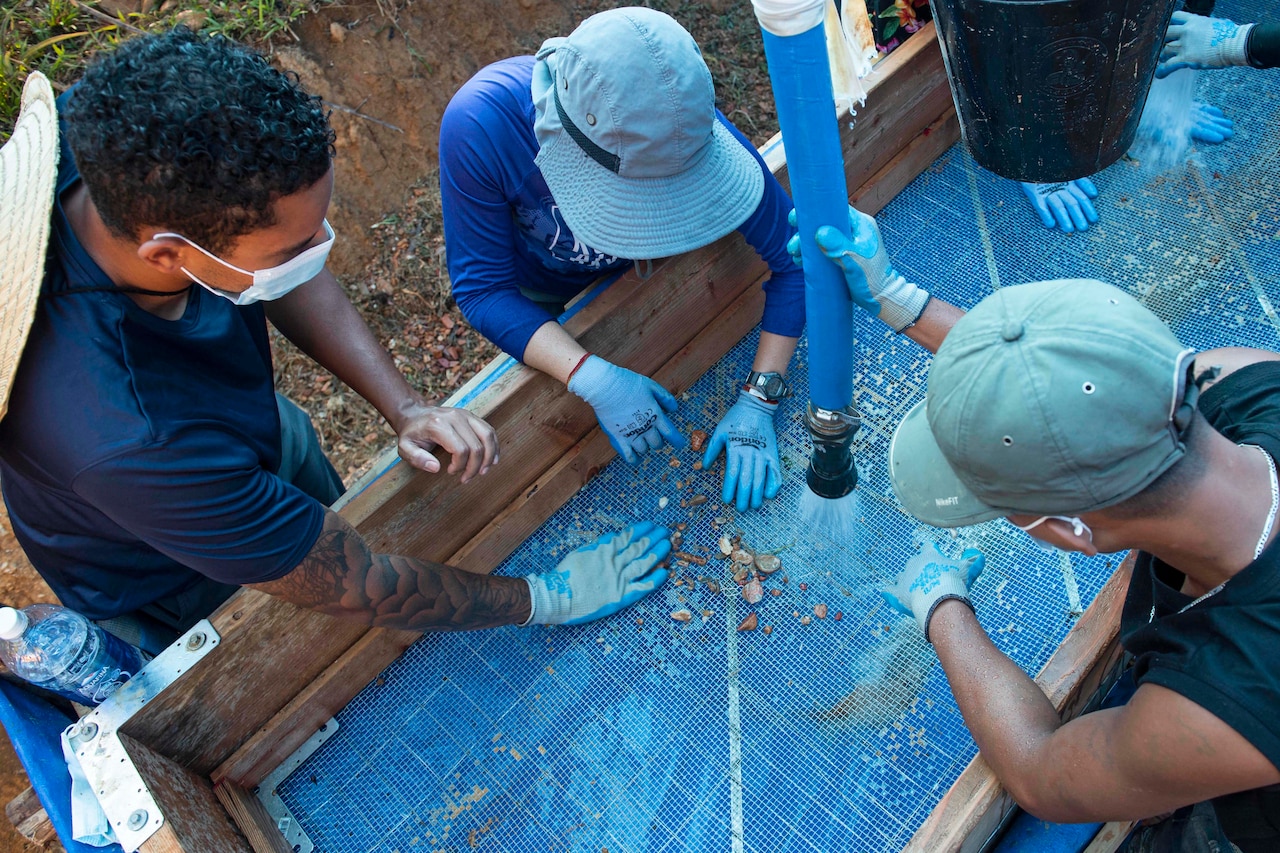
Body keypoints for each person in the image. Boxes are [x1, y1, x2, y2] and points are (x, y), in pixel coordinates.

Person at [0, 31, 671, 656]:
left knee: (321, 497)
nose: (318, 250)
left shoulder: (120, 139)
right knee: (305, 634)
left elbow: (277, 268)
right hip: (169, 567)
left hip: (235, 425)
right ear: (170, 255)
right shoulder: (128, 438)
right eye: (295, 247)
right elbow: (363, 583)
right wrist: (549, 596)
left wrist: (404, 406)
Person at [794, 208, 1280, 850]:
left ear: (1071, 532)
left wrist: (941, 604)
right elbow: (1074, 384)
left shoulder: (1225, 705)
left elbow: (1039, 768)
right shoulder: (1240, 379)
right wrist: (902, 302)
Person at [439, 7, 804, 513]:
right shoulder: (482, 124)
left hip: (638, 274)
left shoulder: (668, 116)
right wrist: (588, 374)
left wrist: (759, 397)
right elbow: (483, 291)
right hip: (547, 284)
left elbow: (794, 259)